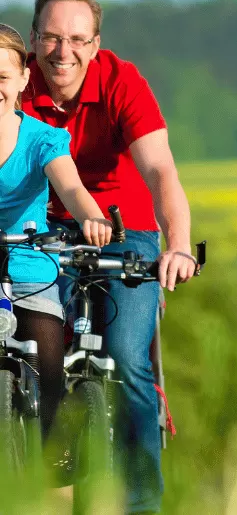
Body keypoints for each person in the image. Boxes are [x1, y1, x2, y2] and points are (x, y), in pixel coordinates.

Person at [21, 0, 196, 515]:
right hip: (39, 232)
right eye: (50, 37)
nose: (62, 51)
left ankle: (142, 502)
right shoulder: (14, 83)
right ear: (33, 40)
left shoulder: (121, 82)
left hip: (126, 231)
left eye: (76, 39)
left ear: (95, 45)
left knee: (124, 356)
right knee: (25, 352)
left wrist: (179, 243)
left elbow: (160, 169)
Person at [0, 23, 113, 442]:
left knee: (47, 354)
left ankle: (54, 449)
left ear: (24, 79)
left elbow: (71, 187)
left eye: (2, 78)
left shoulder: (43, 138)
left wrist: (92, 218)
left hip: (29, 263)